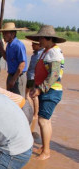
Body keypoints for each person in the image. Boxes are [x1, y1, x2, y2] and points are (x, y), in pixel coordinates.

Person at [26, 25, 66, 160]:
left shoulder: (53, 52)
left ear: (47, 38)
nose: (39, 41)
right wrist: (36, 87)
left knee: (43, 120)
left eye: (40, 38)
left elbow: (54, 75)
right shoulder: (46, 51)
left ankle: (46, 152)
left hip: (52, 91)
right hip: (46, 90)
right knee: (44, 120)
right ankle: (44, 146)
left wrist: (39, 89)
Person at [0, 22, 28, 97]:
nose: (3, 35)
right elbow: (7, 58)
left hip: (18, 77)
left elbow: (22, 64)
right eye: (3, 33)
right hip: (11, 75)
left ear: (13, 34)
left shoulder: (18, 45)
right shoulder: (9, 45)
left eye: (5, 33)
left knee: (19, 100)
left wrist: (14, 79)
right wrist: (1, 48)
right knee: (9, 99)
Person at [26, 41, 44, 134]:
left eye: (34, 44)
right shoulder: (35, 54)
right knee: (28, 95)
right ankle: (31, 111)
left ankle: (35, 113)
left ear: (39, 45)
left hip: (34, 77)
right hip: (30, 76)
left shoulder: (42, 54)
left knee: (33, 95)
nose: (32, 45)